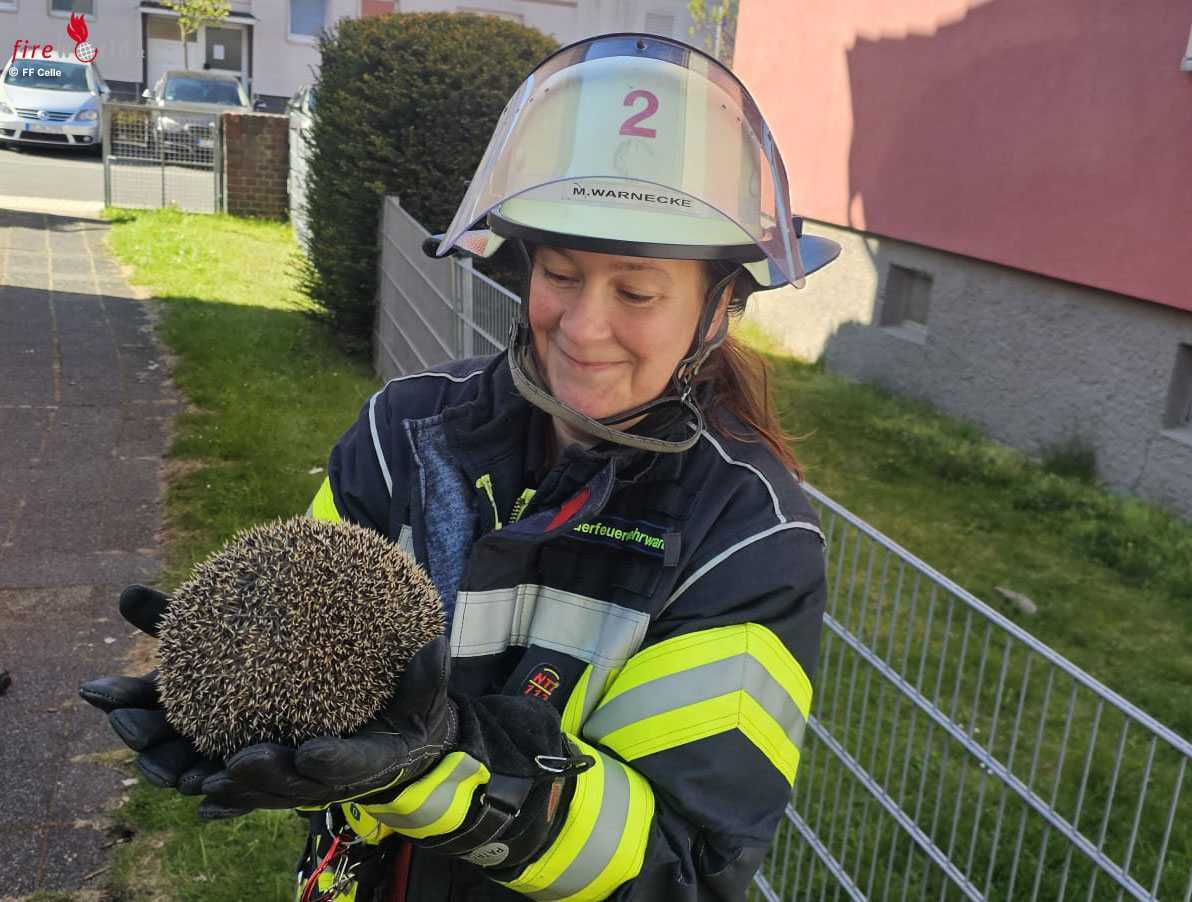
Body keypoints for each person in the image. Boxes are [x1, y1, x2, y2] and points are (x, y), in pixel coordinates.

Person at [81, 33, 841, 901]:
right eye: (561, 274)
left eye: (636, 292)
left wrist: (436, 773)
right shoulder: (402, 432)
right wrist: (239, 680)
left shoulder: (749, 539)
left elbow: (685, 860)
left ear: (721, 305)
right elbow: (307, 649)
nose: (583, 327)